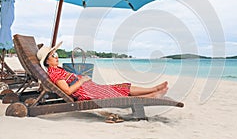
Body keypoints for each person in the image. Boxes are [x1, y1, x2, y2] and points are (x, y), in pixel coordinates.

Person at [37, 42, 168, 101]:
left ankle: (153, 89)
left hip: (88, 87)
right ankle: (151, 96)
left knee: (120, 87)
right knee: (117, 94)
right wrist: (82, 80)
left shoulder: (57, 69)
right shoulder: (55, 73)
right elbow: (68, 91)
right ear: (47, 61)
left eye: (56, 54)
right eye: (53, 55)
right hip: (86, 93)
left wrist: (82, 79)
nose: (57, 56)